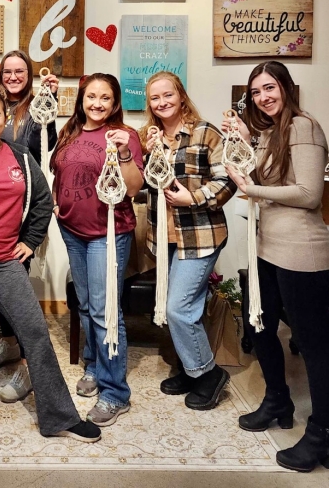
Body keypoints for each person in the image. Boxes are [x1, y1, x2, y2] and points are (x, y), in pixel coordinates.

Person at [0, 86, 100, 442]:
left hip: (4, 260)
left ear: (5, 118)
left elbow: (42, 201)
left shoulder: (22, 158)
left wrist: (30, 241)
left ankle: (60, 416)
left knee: (35, 333)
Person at [224, 61, 329, 473]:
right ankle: (277, 400)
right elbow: (266, 180)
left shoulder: (304, 127)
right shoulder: (270, 133)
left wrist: (251, 189)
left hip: (301, 253)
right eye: (255, 92)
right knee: (260, 327)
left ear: (286, 86)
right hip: (267, 248)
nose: (263, 97)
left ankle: (322, 432)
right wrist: (244, 141)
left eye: (269, 88)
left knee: (314, 343)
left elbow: (308, 194)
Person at [51, 73, 144, 427]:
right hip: (72, 230)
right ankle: (94, 364)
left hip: (108, 233)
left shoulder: (125, 135)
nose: (97, 103)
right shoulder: (70, 131)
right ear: (82, 99)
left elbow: (133, 188)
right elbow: (59, 171)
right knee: (87, 305)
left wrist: (123, 153)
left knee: (106, 311)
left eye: (105, 98)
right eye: (91, 96)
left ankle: (115, 392)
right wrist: (58, 203)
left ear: (115, 102)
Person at [140, 71, 235, 411]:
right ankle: (189, 368)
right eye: (155, 98)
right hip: (164, 237)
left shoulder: (205, 132)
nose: (162, 102)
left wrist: (192, 198)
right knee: (183, 307)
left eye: (168, 95)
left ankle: (209, 375)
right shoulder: (149, 137)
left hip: (201, 235)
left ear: (181, 96)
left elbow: (227, 181)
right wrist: (143, 157)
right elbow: (144, 187)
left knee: (178, 308)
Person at [0, 50, 59, 403]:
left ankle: (30, 366)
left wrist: (50, 102)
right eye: (8, 71)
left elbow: (49, 143)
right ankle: (10, 344)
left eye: (20, 71)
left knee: (17, 289)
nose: (13, 77)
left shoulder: (36, 106)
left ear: (29, 75)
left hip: (24, 206)